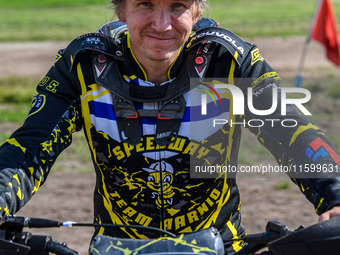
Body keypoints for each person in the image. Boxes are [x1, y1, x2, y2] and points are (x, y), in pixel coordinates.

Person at [0, 0, 340, 254]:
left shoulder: (230, 60)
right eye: (146, 4)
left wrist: (335, 195)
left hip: (221, 246)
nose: (162, 24)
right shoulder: (83, 65)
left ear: (196, 11)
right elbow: (30, 147)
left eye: (177, 5)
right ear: (122, 10)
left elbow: (293, 132)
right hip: (118, 248)